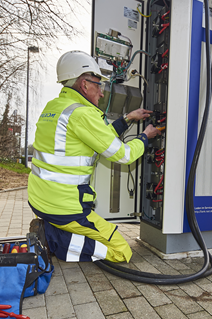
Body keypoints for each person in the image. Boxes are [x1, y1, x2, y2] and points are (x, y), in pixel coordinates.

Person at [28, 50, 160, 263]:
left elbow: (98, 136)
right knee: (121, 252)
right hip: (65, 208)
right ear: (84, 84)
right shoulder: (82, 114)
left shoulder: (55, 108)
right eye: (99, 85)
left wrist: (127, 119)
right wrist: (145, 137)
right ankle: (50, 237)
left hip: (40, 200)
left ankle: (50, 227)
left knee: (93, 235)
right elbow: (124, 155)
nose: (101, 93)